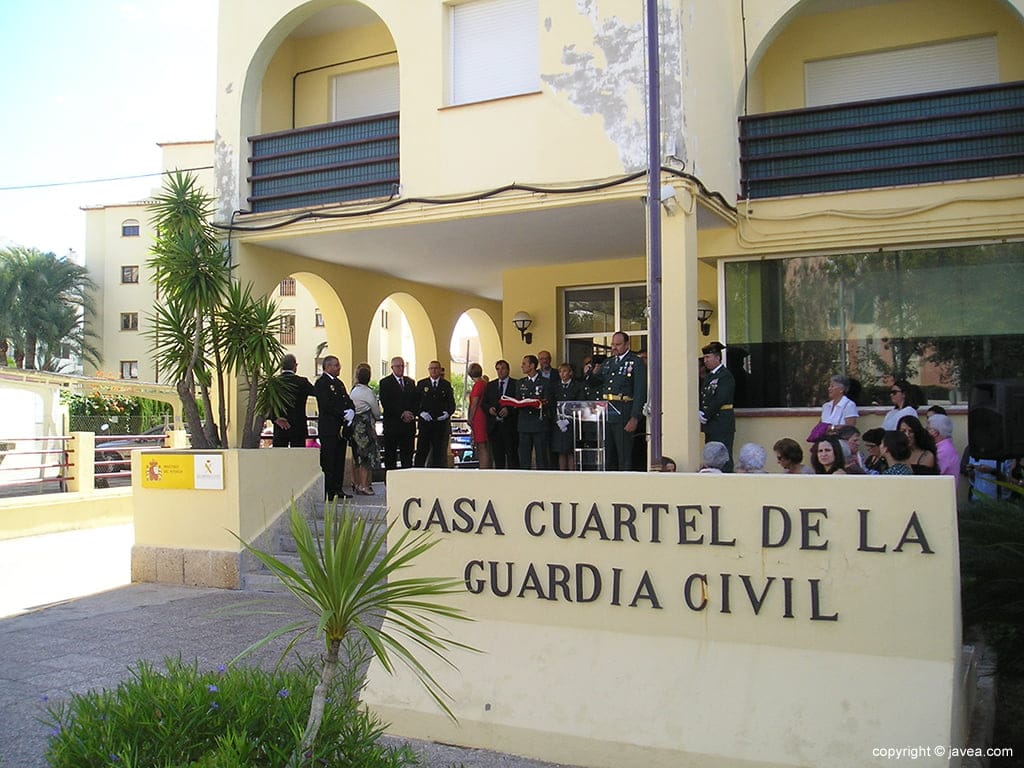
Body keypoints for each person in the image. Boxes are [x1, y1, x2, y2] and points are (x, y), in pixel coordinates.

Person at [602, 331, 647, 471]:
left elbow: (640, 391)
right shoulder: (608, 362)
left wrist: (635, 417)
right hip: (608, 413)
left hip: (624, 413)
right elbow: (599, 383)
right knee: (609, 455)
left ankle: (625, 489)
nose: (614, 347)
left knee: (624, 456)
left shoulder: (635, 362)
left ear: (627, 344)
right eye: (613, 344)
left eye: (618, 344)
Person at [314, 355, 355, 501]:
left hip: (341, 429)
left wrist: (351, 410)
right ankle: (329, 490)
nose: (339, 368)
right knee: (329, 460)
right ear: (328, 366)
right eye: (336, 365)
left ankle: (338, 489)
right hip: (329, 428)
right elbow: (326, 405)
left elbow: (347, 400)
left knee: (339, 460)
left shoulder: (339, 383)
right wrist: (342, 413)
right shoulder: (321, 383)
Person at [377, 356, 418, 474]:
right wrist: (401, 413)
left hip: (408, 427)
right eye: (398, 366)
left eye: (402, 366)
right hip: (393, 426)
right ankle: (390, 481)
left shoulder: (410, 382)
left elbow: (416, 400)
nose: (401, 368)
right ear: (392, 367)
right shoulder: (385, 383)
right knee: (391, 456)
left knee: (407, 456)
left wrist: (411, 413)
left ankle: (407, 481)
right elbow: (386, 402)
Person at [699, 341, 736, 472]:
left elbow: (720, 398)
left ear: (717, 358)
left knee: (723, 455)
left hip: (722, 422)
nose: (705, 361)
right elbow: (704, 397)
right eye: (704, 358)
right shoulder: (709, 376)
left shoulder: (725, 376)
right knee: (711, 455)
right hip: (711, 423)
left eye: (708, 357)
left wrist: (706, 414)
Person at [267, 353, 315, 448]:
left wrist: (275, 418)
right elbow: (317, 392)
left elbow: (268, 403)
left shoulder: (274, 382)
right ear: (295, 366)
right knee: (298, 457)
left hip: (280, 426)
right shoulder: (302, 382)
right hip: (298, 425)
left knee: (279, 457)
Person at [414, 360, 455, 468]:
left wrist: (448, 413)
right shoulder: (422, 384)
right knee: (421, 451)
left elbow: (451, 403)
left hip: (439, 424)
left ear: (440, 370)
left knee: (439, 453)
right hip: (425, 424)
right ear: (428, 370)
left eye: (436, 368)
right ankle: (418, 474)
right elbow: (415, 403)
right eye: (431, 368)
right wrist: (421, 413)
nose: (433, 370)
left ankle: (437, 475)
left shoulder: (445, 385)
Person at [516, 354, 554, 469]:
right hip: (524, 424)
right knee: (524, 456)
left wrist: (540, 404)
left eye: (524, 364)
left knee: (541, 456)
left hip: (539, 424)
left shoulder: (545, 382)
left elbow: (549, 401)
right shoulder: (520, 383)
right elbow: (518, 400)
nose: (522, 366)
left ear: (532, 366)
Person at [349, 363, 380, 495]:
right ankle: (364, 485)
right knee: (366, 456)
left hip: (354, 427)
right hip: (365, 428)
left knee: (357, 456)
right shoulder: (367, 392)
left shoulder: (353, 390)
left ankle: (356, 483)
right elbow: (376, 412)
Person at [483, 359, 519, 469]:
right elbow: (484, 403)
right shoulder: (491, 385)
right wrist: (489, 409)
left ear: (508, 370)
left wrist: (509, 410)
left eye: (503, 368)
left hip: (510, 426)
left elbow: (520, 402)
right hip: (495, 427)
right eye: (498, 369)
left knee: (512, 456)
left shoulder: (516, 384)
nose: (500, 371)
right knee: (498, 457)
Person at [551, 362, 583, 471]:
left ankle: (572, 474)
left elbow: (580, 403)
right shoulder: (555, 386)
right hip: (558, 422)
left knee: (571, 450)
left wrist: (569, 418)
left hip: (572, 422)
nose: (562, 374)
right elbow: (552, 404)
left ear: (570, 373)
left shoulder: (577, 386)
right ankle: (562, 473)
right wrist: (557, 420)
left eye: (564, 371)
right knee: (561, 450)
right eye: (560, 372)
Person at [466, 362, 491, 470]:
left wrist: (470, 419)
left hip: (478, 416)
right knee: (483, 444)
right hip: (483, 415)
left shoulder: (478, 385)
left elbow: (474, 403)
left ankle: (484, 468)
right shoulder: (484, 383)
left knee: (481, 445)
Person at [926, 413, 960, 489]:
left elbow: (933, 476)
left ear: (935, 432)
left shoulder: (944, 450)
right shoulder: (945, 447)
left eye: (927, 428)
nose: (925, 432)